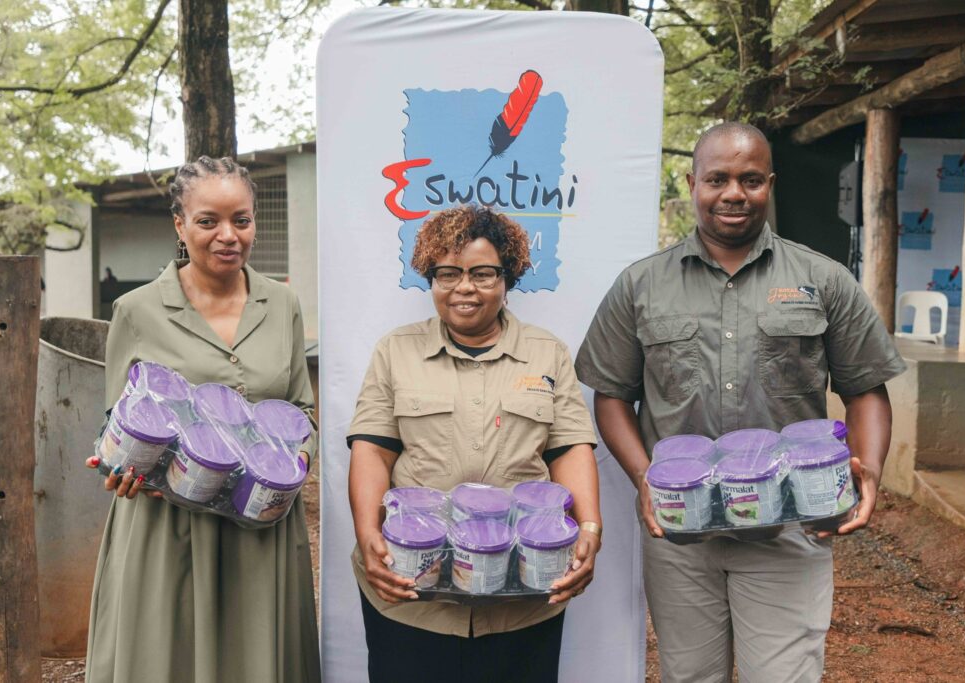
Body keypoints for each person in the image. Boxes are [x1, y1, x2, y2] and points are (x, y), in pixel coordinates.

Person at [575, 122, 908, 682]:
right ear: (692, 183)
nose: (734, 193)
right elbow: (611, 396)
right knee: (690, 676)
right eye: (718, 179)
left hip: (788, 529)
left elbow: (865, 388)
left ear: (770, 184)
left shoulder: (823, 280)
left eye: (750, 180)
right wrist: (645, 479)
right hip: (682, 534)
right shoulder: (640, 286)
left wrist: (869, 470)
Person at [83, 156, 321, 682]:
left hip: (261, 528)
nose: (228, 236)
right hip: (169, 526)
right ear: (180, 225)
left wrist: (297, 458)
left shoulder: (282, 304)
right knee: (166, 660)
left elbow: (302, 409)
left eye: (242, 219)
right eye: (208, 221)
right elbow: (118, 424)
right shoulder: (137, 310)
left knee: (258, 659)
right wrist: (119, 468)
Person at [348, 205, 602, 683]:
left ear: (508, 277)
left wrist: (589, 525)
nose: (464, 287)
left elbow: (569, 449)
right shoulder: (394, 351)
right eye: (448, 273)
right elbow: (373, 450)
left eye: (483, 273)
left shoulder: (547, 353)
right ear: (431, 278)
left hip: (522, 596)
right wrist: (369, 534)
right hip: (415, 595)